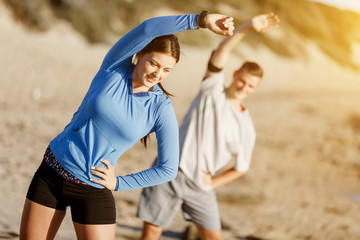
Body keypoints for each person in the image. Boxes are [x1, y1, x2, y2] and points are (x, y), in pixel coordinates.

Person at [19, 11, 235, 240]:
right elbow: (147, 29)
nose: (157, 74)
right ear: (139, 54)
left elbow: (168, 169)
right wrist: (200, 21)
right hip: (52, 171)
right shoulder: (113, 69)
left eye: (167, 70)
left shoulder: (160, 109)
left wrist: (119, 183)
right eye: (154, 63)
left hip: (93, 188)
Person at [137, 13, 280, 240]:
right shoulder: (211, 89)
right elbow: (222, 52)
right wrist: (248, 26)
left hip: (200, 186)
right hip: (170, 170)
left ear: (256, 88)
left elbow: (241, 167)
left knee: (214, 237)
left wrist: (212, 182)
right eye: (242, 80)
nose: (244, 87)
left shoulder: (246, 127)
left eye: (251, 85)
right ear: (234, 75)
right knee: (152, 231)